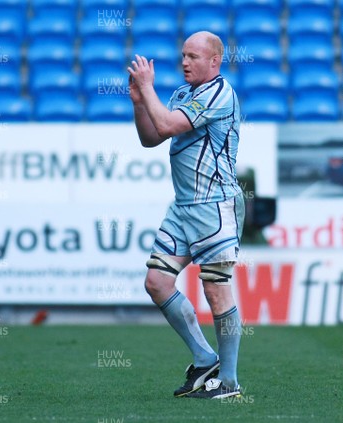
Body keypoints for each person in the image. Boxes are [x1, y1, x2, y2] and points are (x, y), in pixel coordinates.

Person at [127, 31, 244, 399]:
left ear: (214, 61)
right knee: (156, 283)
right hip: (182, 206)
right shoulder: (181, 94)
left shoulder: (220, 92)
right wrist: (138, 102)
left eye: (193, 56)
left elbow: (166, 126)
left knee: (215, 288)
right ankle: (203, 357)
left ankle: (228, 381)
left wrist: (148, 89)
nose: (185, 62)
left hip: (214, 204)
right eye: (183, 55)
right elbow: (151, 137)